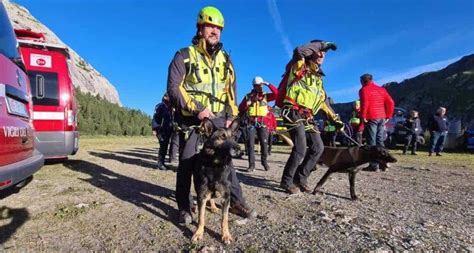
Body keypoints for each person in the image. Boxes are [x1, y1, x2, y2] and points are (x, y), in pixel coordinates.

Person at [167, 6, 256, 224]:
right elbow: (174, 87)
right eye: (210, 26)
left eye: (218, 27)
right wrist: (198, 109)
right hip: (191, 118)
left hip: (218, 118)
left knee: (226, 160)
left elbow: (231, 92)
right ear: (200, 28)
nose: (214, 31)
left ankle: (235, 201)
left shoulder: (226, 59)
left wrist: (230, 116)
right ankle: (185, 207)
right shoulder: (184, 56)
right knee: (187, 162)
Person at [279, 40, 344, 194]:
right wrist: (320, 44)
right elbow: (299, 51)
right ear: (312, 51)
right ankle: (286, 181)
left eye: (324, 53)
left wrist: (336, 120)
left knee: (318, 148)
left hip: (308, 115)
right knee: (300, 148)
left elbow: (323, 103)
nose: (322, 54)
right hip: (293, 112)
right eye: (319, 51)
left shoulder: (319, 79)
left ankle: (300, 178)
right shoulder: (298, 65)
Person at [238, 76, 278, 172]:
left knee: (264, 144)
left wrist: (268, 84)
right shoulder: (248, 96)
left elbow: (277, 94)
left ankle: (264, 162)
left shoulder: (266, 96)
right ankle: (251, 165)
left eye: (260, 85)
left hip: (263, 123)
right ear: (253, 86)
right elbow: (240, 108)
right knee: (250, 145)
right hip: (251, 123)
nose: (258, 87)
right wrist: (246, 104)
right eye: (256, 85)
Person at [359, 73, 395, 171]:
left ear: (362, 81)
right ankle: (384, 163)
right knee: (380, 140)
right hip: (382, 116)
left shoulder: (364, 90)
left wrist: (363, 116)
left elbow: (364, 103)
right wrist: (388, 115)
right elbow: (391, 102)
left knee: (371, 142)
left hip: (371, 117)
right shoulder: (382, 89)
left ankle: (374, 165)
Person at [152, 94, 173, 170]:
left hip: (168, 130)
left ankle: (162, 163)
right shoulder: (161, 106)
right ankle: (160, 164)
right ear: (165, 97)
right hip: (161, 130)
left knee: (165, 146)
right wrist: (154, 129)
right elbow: (156, 117)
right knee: (163, 146)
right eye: (170, 96)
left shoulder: (171, 107)